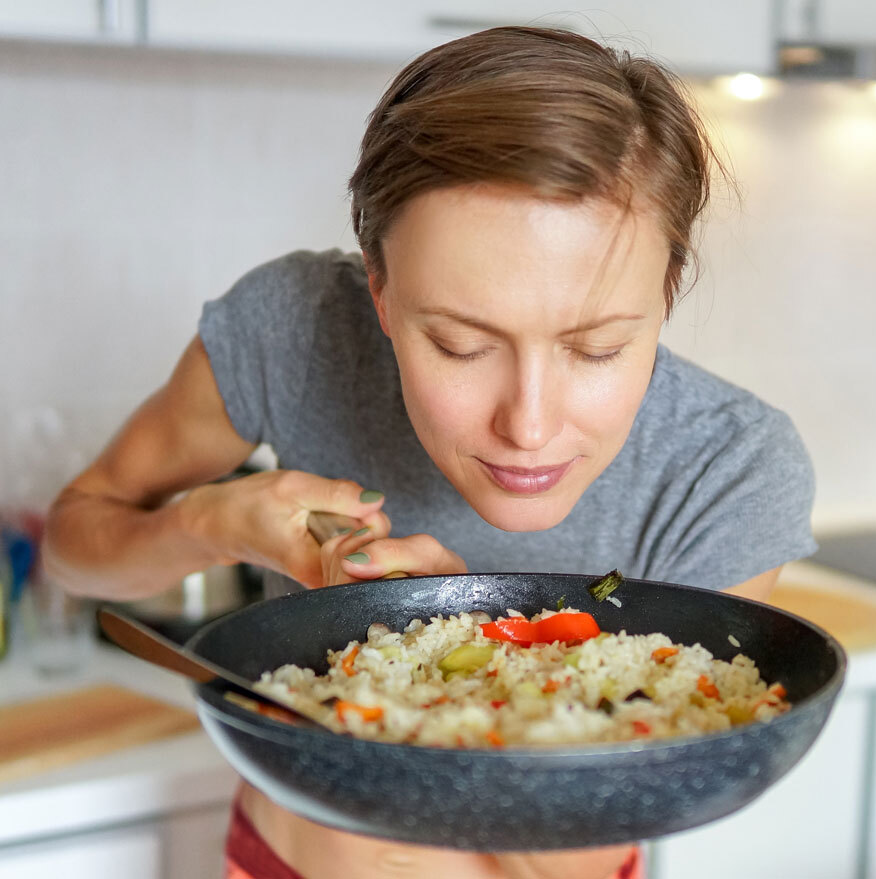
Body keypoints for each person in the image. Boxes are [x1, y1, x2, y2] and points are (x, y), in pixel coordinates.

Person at [43, 26, 816, 879]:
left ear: (666, 295)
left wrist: (458, 637)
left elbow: (594, 829)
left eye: (596, 349)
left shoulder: (730, 467)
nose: (528, 425)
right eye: (458, 343)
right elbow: (74, 552)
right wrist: (213, 520)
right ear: (379, 289)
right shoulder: (295, 328)